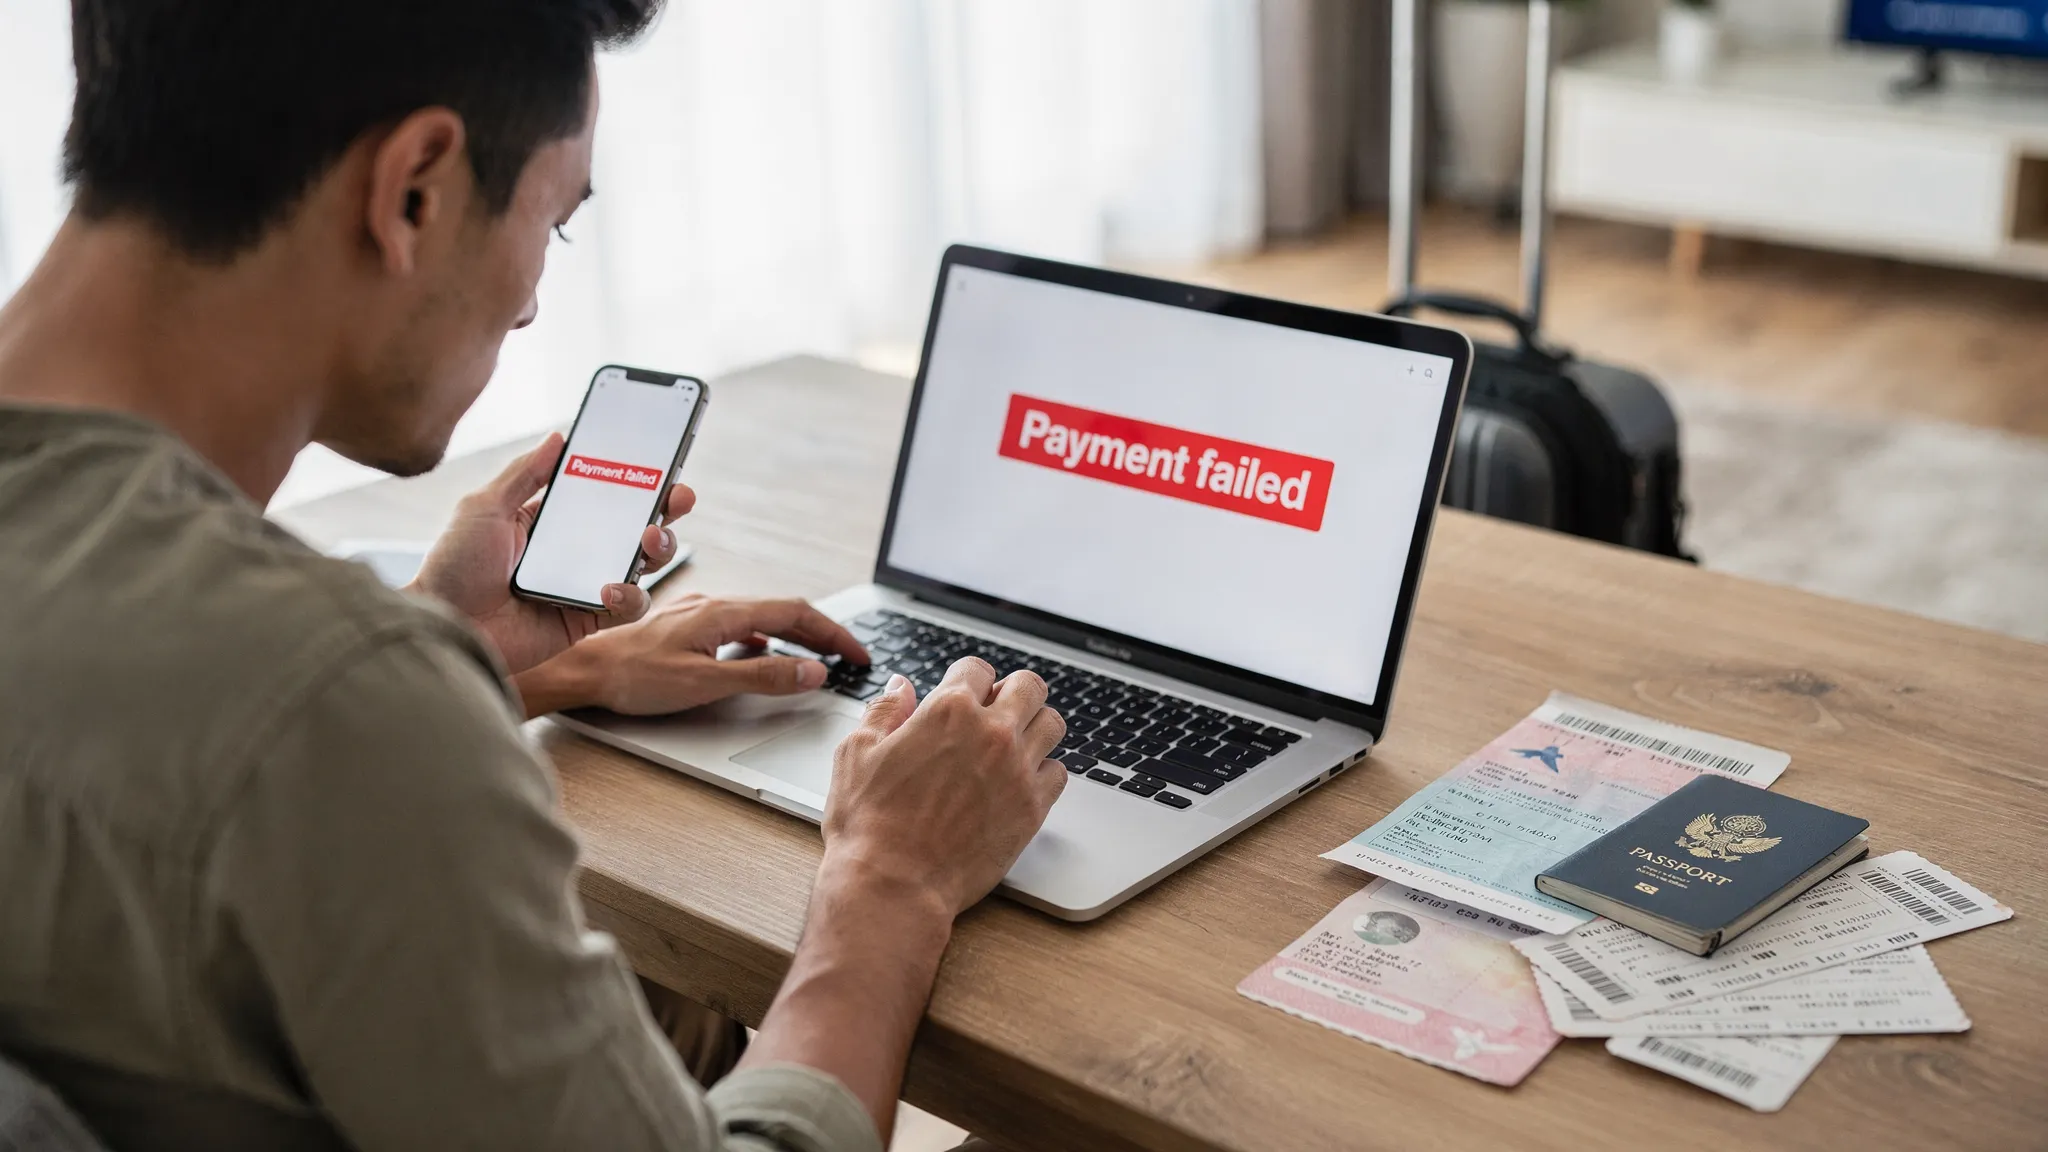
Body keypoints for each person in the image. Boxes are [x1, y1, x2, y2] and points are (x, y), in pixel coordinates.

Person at [0, 3, 1068, 1151]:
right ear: (414, 188)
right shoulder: (340, 706)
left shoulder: (278, 675)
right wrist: (889, 881)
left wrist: (464, 657)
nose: (530, 302)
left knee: (670, 1009)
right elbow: (300, 736)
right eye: (554, 224)